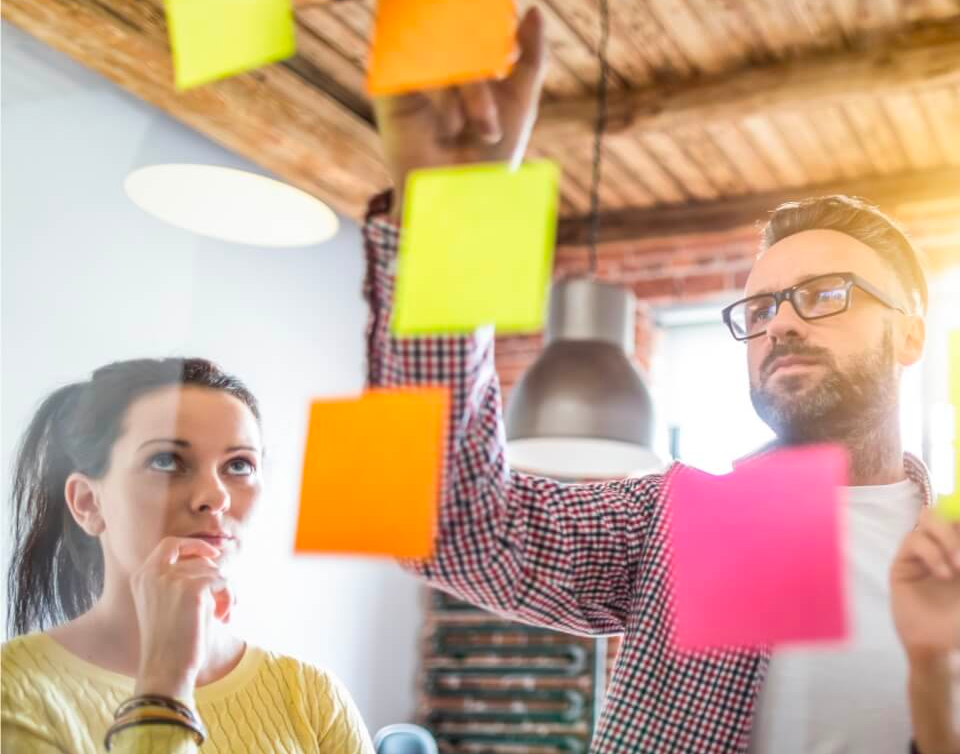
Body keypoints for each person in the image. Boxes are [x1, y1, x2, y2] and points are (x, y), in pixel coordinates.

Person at [366, 7, 959, 754]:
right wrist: (446, 228)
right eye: (763, 306)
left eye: (824, 294)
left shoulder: (949, 555)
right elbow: (444, 528)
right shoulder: (691, 524)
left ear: (910, 334)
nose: (779, 324)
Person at [2, 358, 375, 754]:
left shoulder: (313, 696)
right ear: (88, 503)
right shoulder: (15, 692)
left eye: (238, 465)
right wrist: (165, 685)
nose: (216, 497)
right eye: (166, 461)